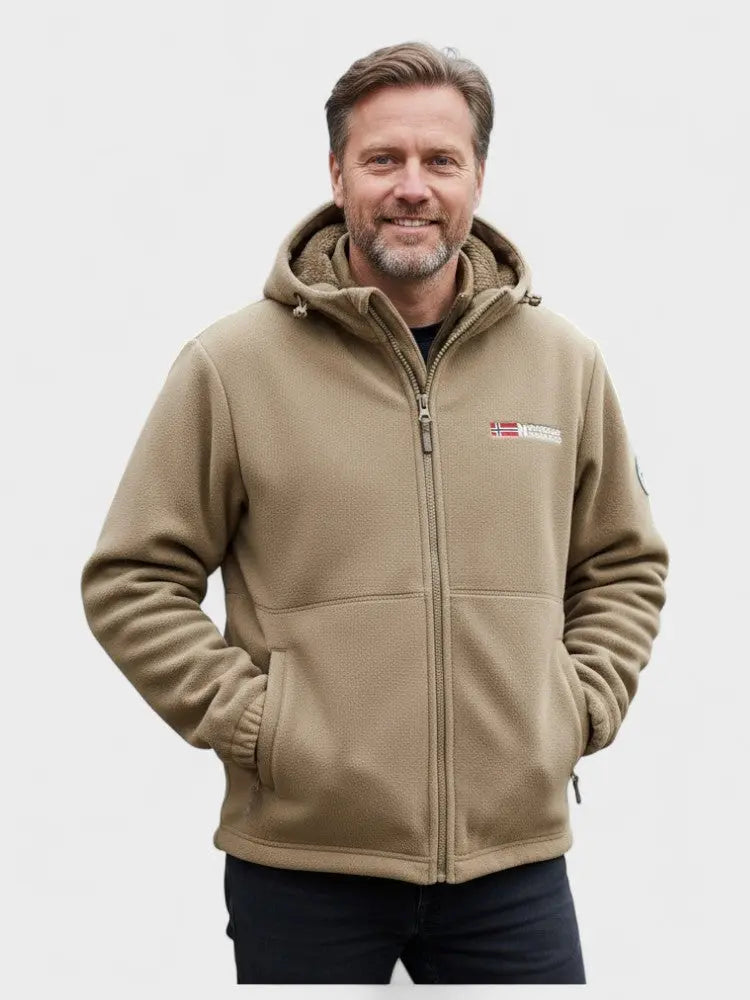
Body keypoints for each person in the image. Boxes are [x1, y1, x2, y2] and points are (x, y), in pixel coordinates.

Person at [80, 40, 669, 985]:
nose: (412, 187)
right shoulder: (232, 367)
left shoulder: (563, 364)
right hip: (303, 863)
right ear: (337, 173)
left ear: (478, 176)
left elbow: (623, 563)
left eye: (441, 160)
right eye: (383, 158)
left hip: (512, 862)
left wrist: (578, 707)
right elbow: (131, 580)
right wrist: (261, 727)